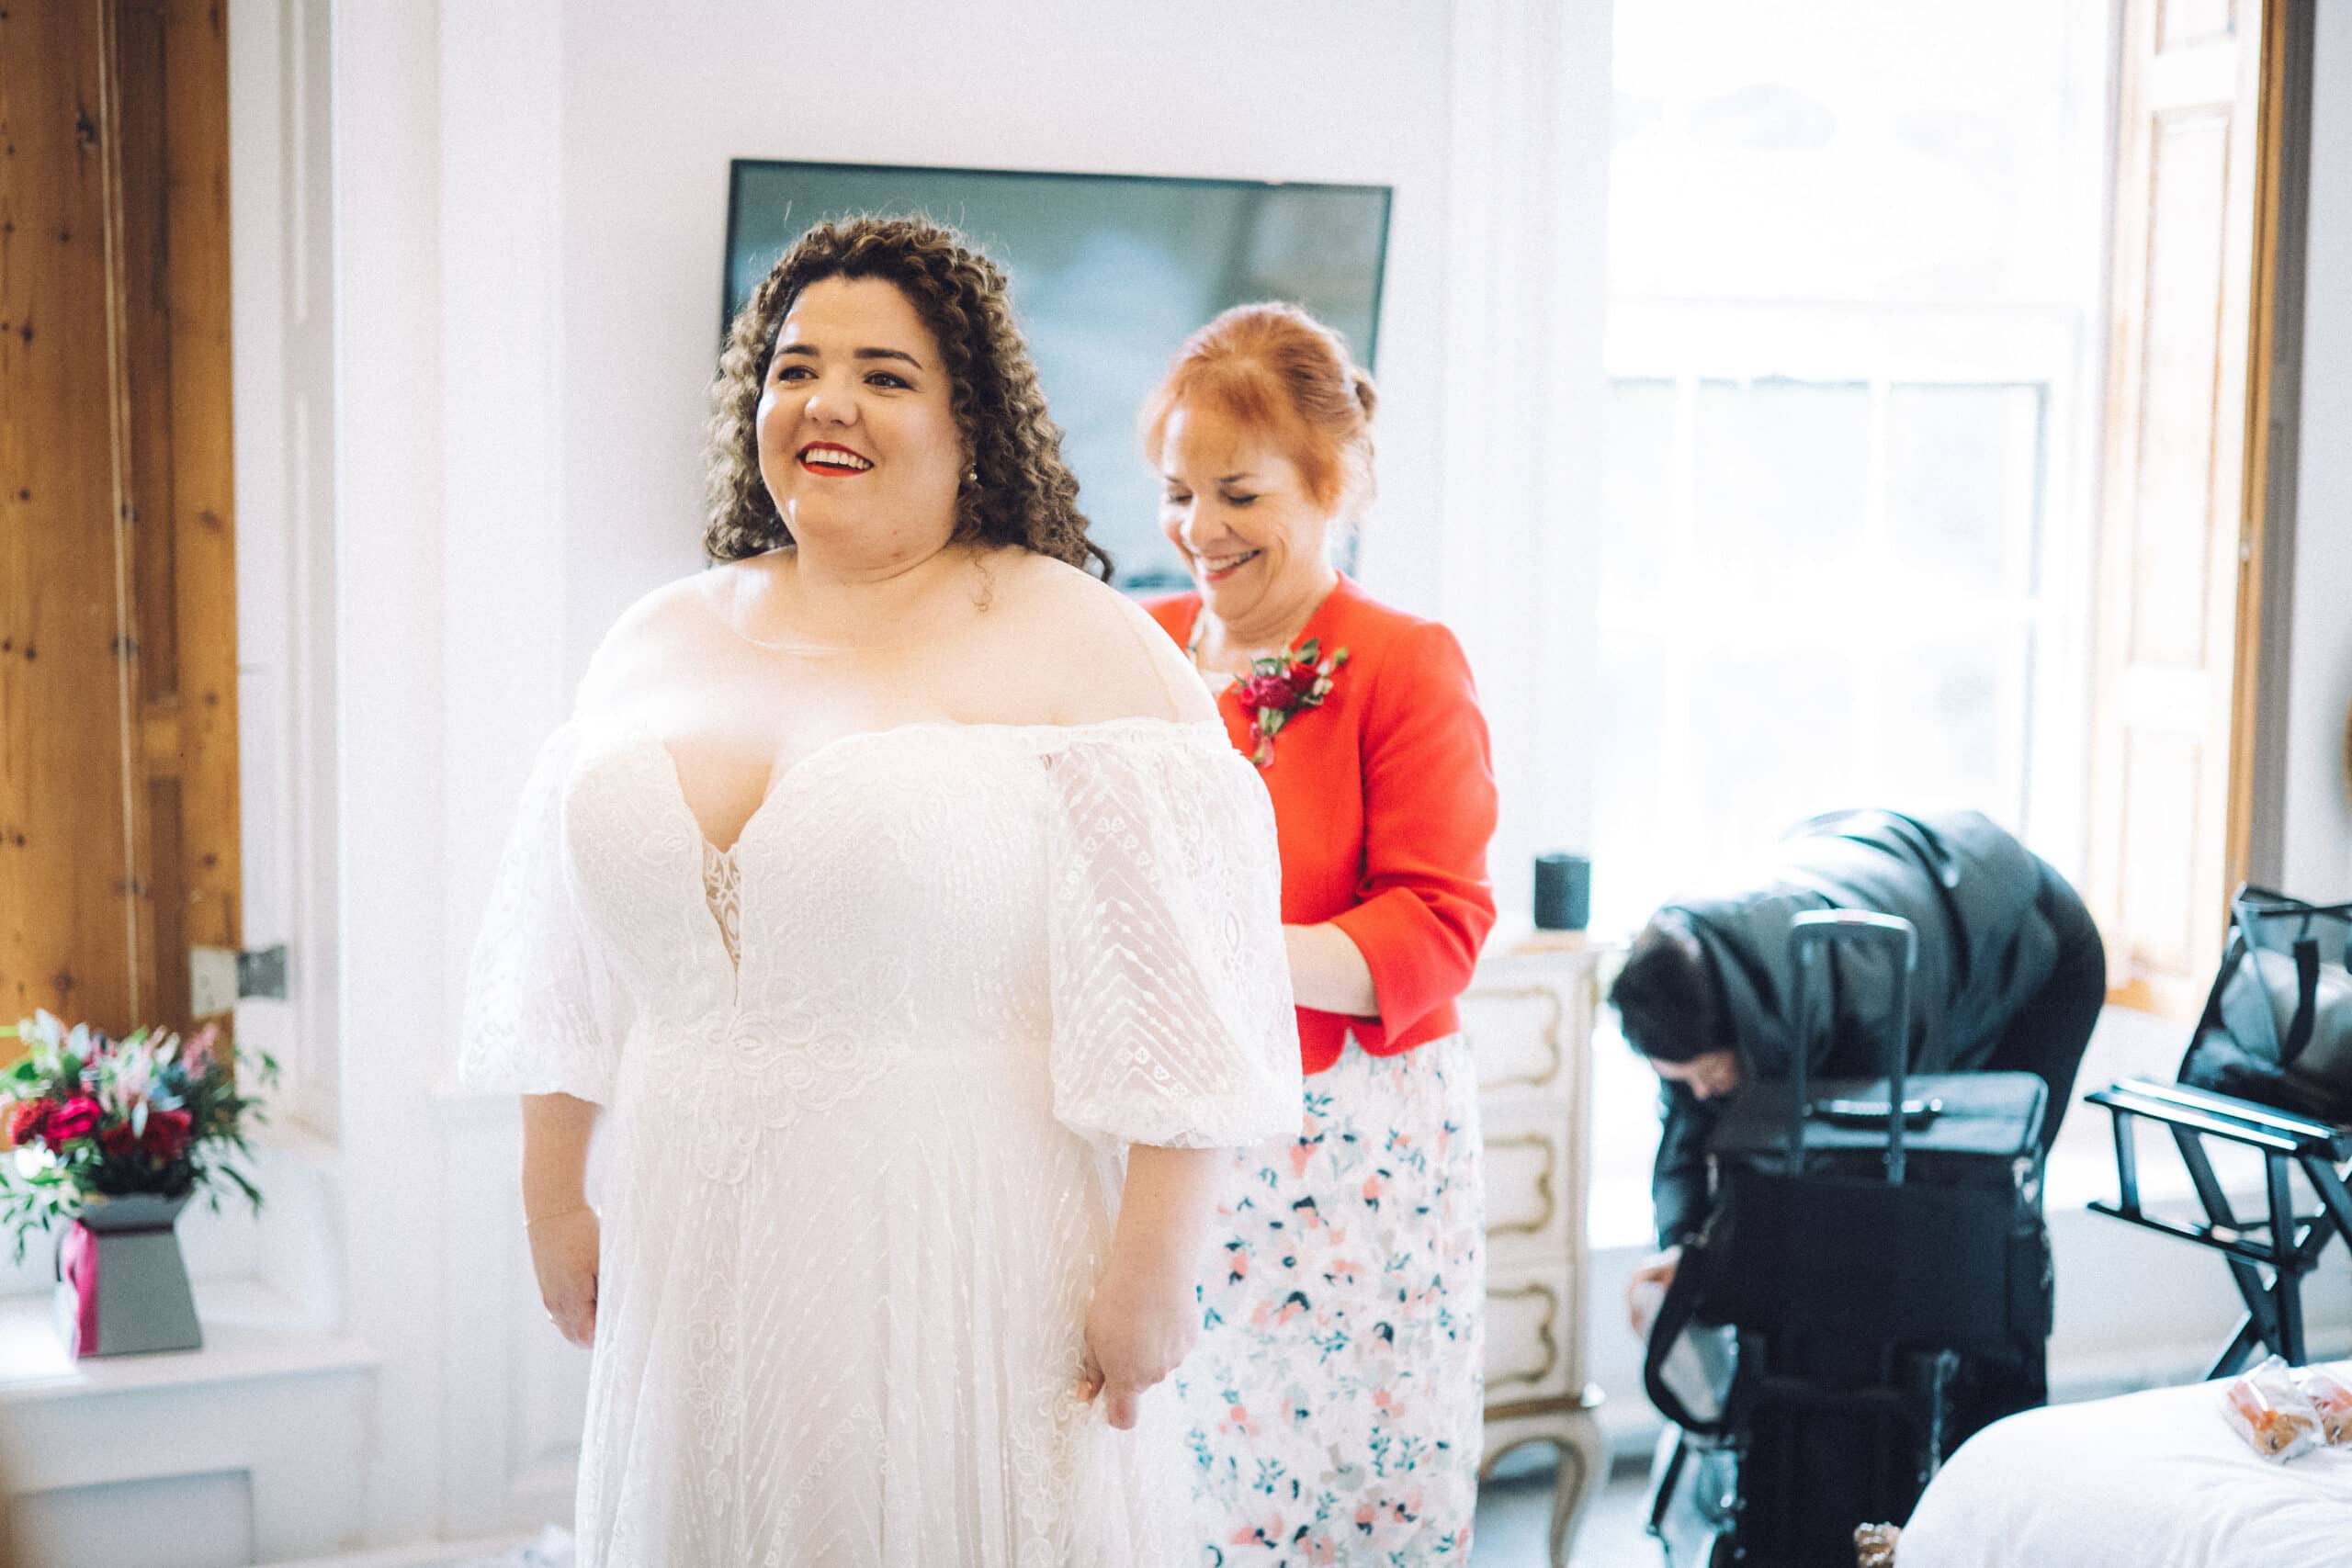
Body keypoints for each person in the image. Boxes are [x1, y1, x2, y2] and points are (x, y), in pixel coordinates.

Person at [457, 217, 1303, 1567]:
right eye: (794, 368)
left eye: (884, 375)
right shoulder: (651, 639)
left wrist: (1151, 1272)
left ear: (973, 423)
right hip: (688, 1239)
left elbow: (1189, 1010)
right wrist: (552, 1198)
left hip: (956, 1243)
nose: (827, 402)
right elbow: (562, 962)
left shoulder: (1080, 642)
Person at [1139, 303, 1499, 1562]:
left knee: (1332, 1496)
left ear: (1332, 483)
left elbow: (1438, 923)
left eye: (1238, 493)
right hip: (1164, 1138)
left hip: (1346, 1165)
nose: (1200, 528)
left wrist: (1216, 952)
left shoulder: (1404, 661)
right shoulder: (1137, 651)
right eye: (1179, 492)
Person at [1612, 807, 2106, 1329]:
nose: (1699, 1092)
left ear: (1746, 1031)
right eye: (1682, 1080)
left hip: (2034, 933)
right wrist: (1682, 1246)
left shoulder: (1868, 1007)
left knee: (1972, 1205)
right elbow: (1688, 1124)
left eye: (1710, 1076)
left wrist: (1728, 1265)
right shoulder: (1680, 975)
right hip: (1907, 883)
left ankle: (1984, 1359)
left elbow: (1877, 1187)